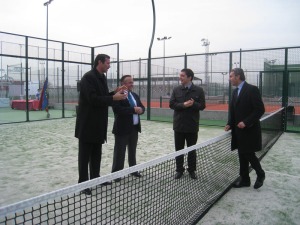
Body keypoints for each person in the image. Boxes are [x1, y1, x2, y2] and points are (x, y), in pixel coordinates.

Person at [75, 54, 127, 195]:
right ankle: (83, 183)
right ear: (100, 62)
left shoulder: (102, 77)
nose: (109, 66)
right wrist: (113, 98)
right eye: (108, 63)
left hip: (99, 124)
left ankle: (96, 178)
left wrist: (113, 93)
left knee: (97, 153)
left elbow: (103, 97)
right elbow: (93, 99)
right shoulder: (88, 78)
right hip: (87, 124)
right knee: (85, 155)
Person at [225, 68, 266, 189]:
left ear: (238, 76)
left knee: (248, 154)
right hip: (238, 131)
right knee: (242, 154)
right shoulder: (234, 92)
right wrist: (229, 124)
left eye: (231, 76)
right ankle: (245, 180)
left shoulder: (252, 89)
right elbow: (233, 111)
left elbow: (259, 109)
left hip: (250, 130)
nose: (230, 79)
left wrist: (246, 122)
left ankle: (260, 174)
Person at [169, 68, 206, 180]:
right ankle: (179, 170)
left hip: (192, 126)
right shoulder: (176, 90)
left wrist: (193, 104)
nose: (180, 78)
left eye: (182, 76)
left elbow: (202, 106)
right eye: (180, 76)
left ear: (189, 77)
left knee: (191, 150)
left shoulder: (199, 90)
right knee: (179, 149)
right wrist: (184, 105)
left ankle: (192, 170)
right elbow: (171, 104)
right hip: (179, 126)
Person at [111, 75, 145, 181]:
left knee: (132, 151)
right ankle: (116, 174)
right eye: (129, 82)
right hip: (122, 128)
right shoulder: (118, 95)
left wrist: (141, 110)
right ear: (123, 84)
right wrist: (133, 110)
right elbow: (117, 110)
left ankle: (133, 170)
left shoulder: (134, 95)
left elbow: (142, 107)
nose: (132, 84)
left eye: (132, 82)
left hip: (134, 128)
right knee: (119, 152)